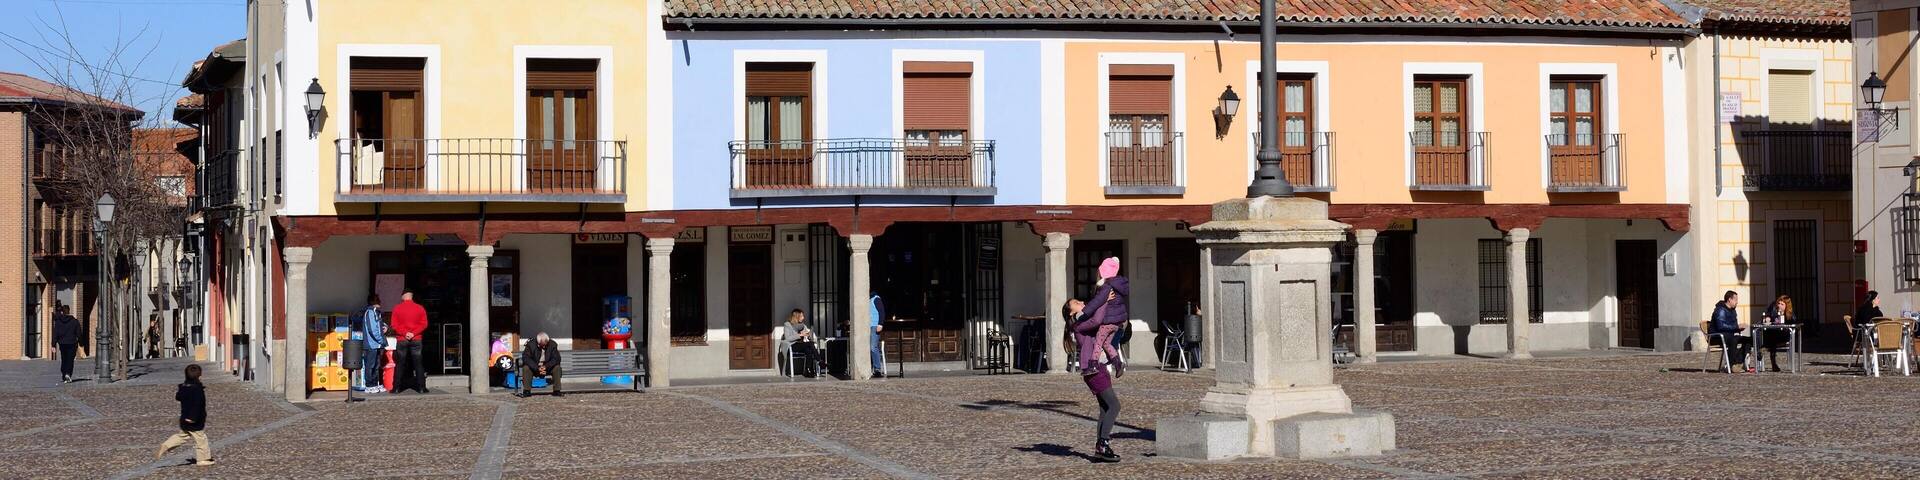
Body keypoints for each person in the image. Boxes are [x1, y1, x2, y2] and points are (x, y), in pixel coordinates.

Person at [1066, 299, 1121, 462]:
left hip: (1099, 367)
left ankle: (1100, 448)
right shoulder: (1078, 325)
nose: (1081, 301)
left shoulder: (1083, 322)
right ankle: (1103, 443)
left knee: (1105, 407)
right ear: (1071, 312)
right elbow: (1097, 320)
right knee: (1114, 406)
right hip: (1093, 370)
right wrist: (1104, 300)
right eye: (1076, 302)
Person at [1078, 258, 1132, 378]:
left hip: (1108, 321)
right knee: (1107, 343)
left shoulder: (1107, 286)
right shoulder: (1118, 285)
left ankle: (1093, 365)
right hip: (1117, 322)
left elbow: (1098, 301)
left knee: (1098, 342)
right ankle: (1118, 363)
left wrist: (1085, 311)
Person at [155, 364, 213, 466]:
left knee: (182, 436)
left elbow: (178, 397)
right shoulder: (197, 389)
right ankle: (203, 459)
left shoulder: (184, 387)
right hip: (194, 420)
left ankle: (166, 445)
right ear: (199, 376)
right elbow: (197, 405)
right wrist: (193, 418)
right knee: (201, 439)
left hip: (184, 417)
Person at [390, 291, 429, 394]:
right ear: (412, 296)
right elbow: (424, 324)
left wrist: (405, 333)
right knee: (418, 364)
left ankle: (396, 388)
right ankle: (421, 388)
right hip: (416, 339)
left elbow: (394, 325)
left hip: (402, 339)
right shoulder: (420, 308)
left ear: (403, 296)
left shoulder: (397, 308)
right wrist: (413, 333)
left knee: (400, 364)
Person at [1709, 291, 1751, 373]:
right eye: (1735, 300)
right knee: (1733, 339)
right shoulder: (1720, 310)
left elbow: (1734, 327)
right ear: (1729, 300)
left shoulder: (1733, 311)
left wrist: (1739, 328)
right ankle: (1731, 365)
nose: (1737, 302)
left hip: (1729, 335)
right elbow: (1720, 326)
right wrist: (1736, 327)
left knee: (1747, 339)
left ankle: (1738, 363)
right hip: (1717, 336)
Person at [781, 309, 828, 377]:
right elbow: (788, 338)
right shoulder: (787, 324)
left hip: (801, 344)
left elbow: (808, 335)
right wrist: (800, 335)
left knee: (809, 350)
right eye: (802, 316)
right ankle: (819, 361)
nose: (803, 318)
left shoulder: (802, 325)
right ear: (797, 316)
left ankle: (808, 370)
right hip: (791, 346)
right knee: (810, 344)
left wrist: (808, 335)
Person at [354, 295, 386, 393]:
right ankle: (369, 385)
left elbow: (379, 325)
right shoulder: (371, 312)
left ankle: (375, 383)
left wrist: (385, 327)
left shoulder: (375, 312)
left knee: (376, 365)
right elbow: (373, 330)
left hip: (375, 344)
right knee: (370, 365)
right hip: (371, 344)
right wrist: (381, 340)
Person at [517, 332, 563, 398]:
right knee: (526, 368)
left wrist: (545, 367)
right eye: (542, 345)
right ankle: (526, 391)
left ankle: (557, 391)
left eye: (545, 345)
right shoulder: (530, 345)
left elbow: (556, 359)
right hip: (534, 368)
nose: (544, 346)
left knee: (557, 368)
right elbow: (526, 358)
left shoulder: (552, 344)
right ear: (538, 342)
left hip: (548, 367)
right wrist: (537, 368)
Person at [1757, 295, 1795, 373]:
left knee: (1772, 338)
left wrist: (1784, 317)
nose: (1779, 306)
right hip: (1773, 335)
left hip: (1784, 335)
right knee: (1771, 336)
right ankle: (1773, 364)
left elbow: (1793, 323)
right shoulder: (1774, 310)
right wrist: (1767, 318)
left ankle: (1765, 347)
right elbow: (1767, 315)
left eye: (1782, 304)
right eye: (1779, 303)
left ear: (1787, 306)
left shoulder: (1790, 314)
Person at [52, 305, 80, 383]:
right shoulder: (74, 321)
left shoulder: (58, 322)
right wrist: (81, 343)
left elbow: (55, 334)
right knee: (70, 359)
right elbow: (79, 333)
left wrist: (53, 345)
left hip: (62, 343)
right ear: (69, 311)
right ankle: (68, 373)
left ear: (62, 312)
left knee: (64, 358)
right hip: (72, 343)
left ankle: (64, 373)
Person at [870, 292, 886, 378]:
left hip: (874, 326)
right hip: (867, 326)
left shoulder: (876, 299)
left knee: (873, 347)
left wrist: (880, 324)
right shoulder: (867, 299)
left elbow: (882, 312)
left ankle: (877, 369)